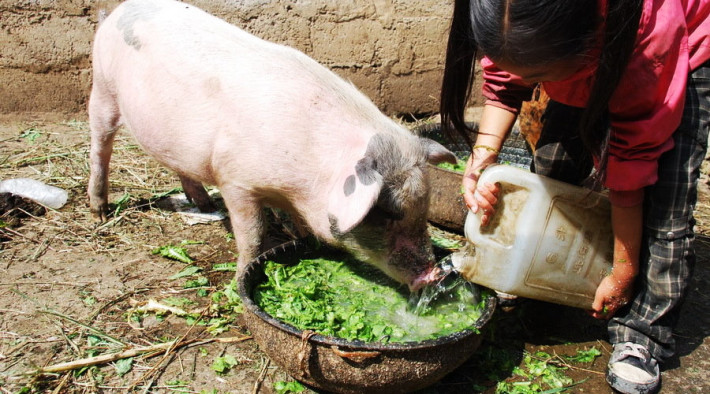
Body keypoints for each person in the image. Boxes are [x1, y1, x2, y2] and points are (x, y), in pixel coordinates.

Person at [438, 0, 710, 393]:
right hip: (571, 53)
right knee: (553, 165)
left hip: (675, 56)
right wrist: (483, 157)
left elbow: (630, 165)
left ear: (583, 42)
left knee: (665, 202)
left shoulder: (648, 39)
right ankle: (543, 276)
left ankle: (643, 330)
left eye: (535, 77)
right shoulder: (515, 17)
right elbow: (506, 78)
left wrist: (624, 269)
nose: (527, 83)